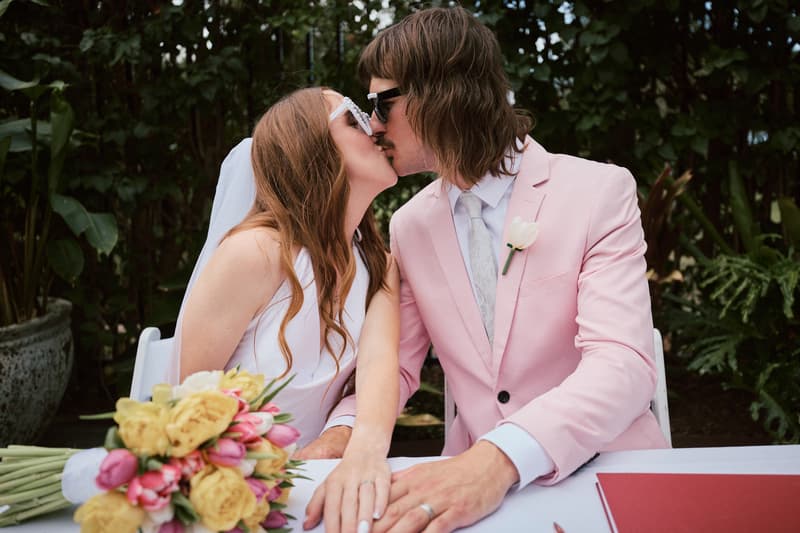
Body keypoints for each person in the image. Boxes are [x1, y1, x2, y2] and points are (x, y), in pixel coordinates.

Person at [305, 7, 670, 533]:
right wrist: (339, 434)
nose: (375, 125)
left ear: (441, 94)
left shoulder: (597, 192)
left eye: (382, 103)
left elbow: (623, 363)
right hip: (470, 498)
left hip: (606, 471)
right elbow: (395, 366)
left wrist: (497, 459)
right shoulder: (410, 225)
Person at [172, 87, 400, 533]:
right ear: (311, 147)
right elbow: (189, 403)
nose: (375, 126)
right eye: (353, 118)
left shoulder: (379, 265)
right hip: (233, 494)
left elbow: (380, 364)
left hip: (320, 489)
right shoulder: (256, 252)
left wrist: (359, 453)